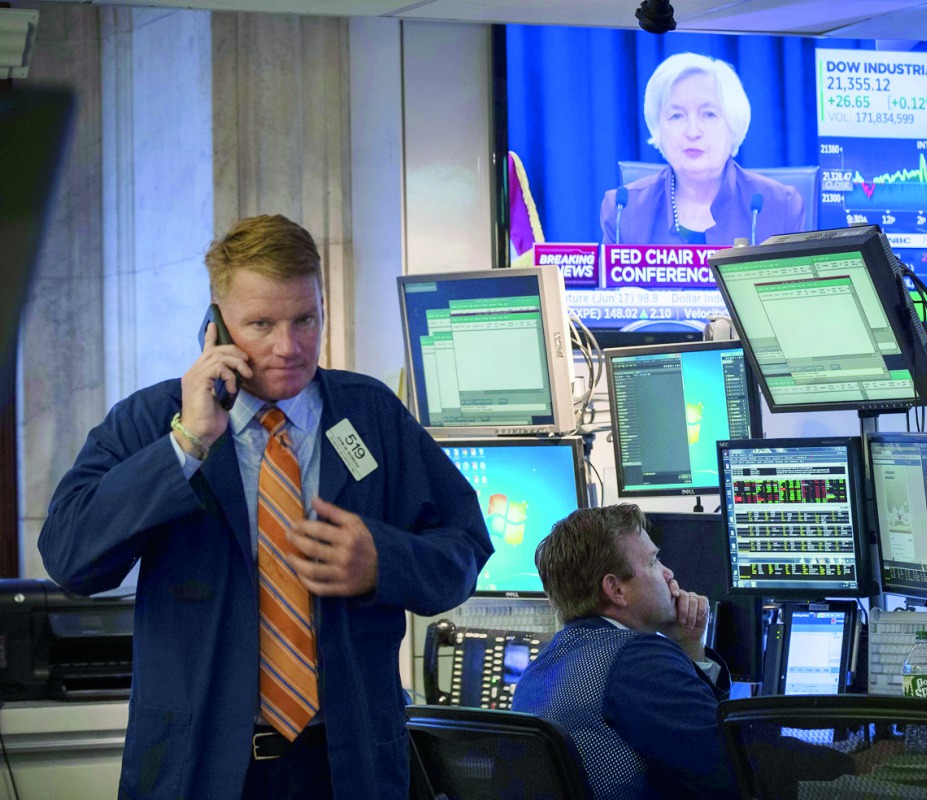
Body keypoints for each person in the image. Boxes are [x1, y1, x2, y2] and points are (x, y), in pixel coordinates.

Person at [38, 214, 493, 800]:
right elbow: (69, 557)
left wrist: (384, 562)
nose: (289, 346)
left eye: (305, 319)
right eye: (261, 324)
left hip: (346, 765)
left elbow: (465, 546)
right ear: (216, 325)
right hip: (198, 769)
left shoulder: (368, 415)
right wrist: (187, 443)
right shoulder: (152, 420)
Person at [511, 504, 739, 800]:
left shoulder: (538, 669)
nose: (668, 573)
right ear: (616, 590)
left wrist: (688, 644)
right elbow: (732, 768)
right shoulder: (638, 659)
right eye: (653, 562)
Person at [600, 52, 806, 246]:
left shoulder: (780, 207)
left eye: (708, 114)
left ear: (734, 125)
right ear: (657, 128)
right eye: (676, 116)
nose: (692, 132)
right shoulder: (624, 212)